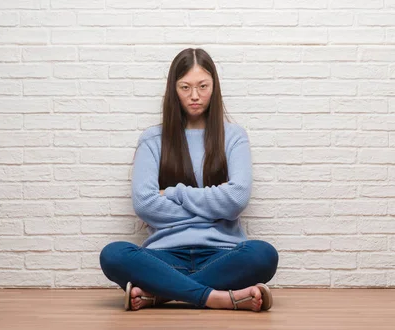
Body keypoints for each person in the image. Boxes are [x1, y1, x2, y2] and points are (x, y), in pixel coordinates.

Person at [99, 48, 279, 312]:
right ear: (174, 89)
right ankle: (216, 297)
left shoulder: (234, 137)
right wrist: (212, 209)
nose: (195, 96)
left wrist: (173, 194)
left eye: (203, 86)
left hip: (222, 254)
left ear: (214, 87)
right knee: (113, 255)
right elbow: (145, 204)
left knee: (263, 255)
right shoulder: (152, 140)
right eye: (185, 87)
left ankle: (160, 294)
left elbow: (236, 200)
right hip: (163, 257)